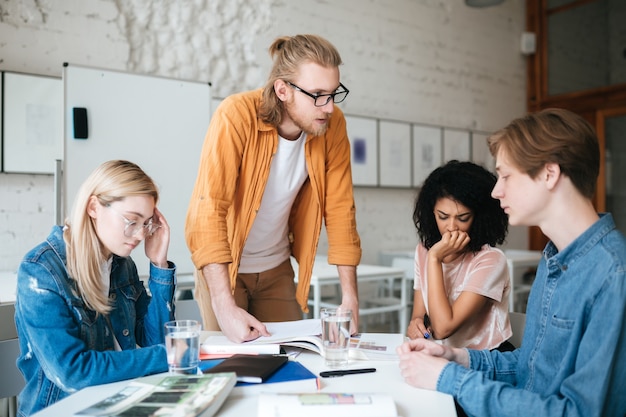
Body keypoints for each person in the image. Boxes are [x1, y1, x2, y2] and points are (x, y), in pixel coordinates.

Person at [397, 108, 626, 417]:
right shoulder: (553, 259)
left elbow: (579, 412)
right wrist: (454, 357)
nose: (496, 190)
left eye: (506, 175)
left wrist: (448, 378)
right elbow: (527, 367)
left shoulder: (614, 275)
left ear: (549, 174)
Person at [185, 34, 361, 343]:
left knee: (292, 358)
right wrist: (223, 305)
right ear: (282, 90)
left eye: (334, 94)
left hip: (277, 268)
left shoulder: (332, 126)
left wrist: (350, 298)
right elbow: (209, 208)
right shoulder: (236, 115)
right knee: (232, 364)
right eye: (318, 94)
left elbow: (340, 208)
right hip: (225, 269)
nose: (329, 107)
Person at [14, 160, 176, 416]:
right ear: (93, 207)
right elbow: (72, 371)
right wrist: (168, 355)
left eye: (146, 223)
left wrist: (159, 264)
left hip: (120, 400)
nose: (140, 235)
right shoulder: (41, 271)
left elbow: (154, 342)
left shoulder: (122, 264)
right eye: (132, 221)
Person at [407, 160, 512, 351]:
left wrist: (434, 259)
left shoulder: (491, 260)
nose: (452, 227)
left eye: (463, 218)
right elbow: (419, 316)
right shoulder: (423, 250)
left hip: (486, 361)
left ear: (478, 217)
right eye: (443, 216)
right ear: (432, 214)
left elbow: (443, 328)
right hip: (443, 356)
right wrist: (416, 325)